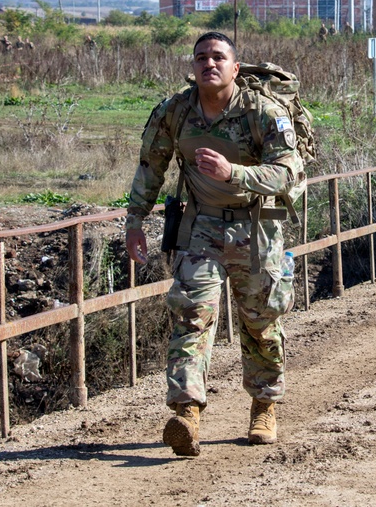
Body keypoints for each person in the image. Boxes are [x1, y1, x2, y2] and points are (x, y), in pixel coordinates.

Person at [125, 31, 304, 457]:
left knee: (260, 322)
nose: (210, 64)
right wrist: (134, 221)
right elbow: (151, 165)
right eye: (201, 57)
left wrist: (235, 174)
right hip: (200, 227)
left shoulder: (263, 111)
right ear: (193, 67)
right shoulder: (177, 110)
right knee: (190, 316)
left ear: (235, 68)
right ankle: (186, 413)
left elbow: (289, 173)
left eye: (219, 57)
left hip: (256, 227)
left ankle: (264, 406)